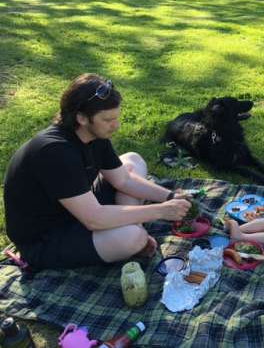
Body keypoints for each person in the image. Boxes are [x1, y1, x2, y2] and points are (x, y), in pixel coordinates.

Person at [3, 73, 192, 270]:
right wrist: (160, 211)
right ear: (82, 118)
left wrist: (171, 196)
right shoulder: (54, 152)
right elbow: (94, 219)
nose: (116, 125)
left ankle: (135, 229)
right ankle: (135, 234)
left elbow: (124, 180)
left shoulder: (95, 135)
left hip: (78, 209)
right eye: (108, 119)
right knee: (132, 238)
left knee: (133, 160)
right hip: (47, 239)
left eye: (116, 117)